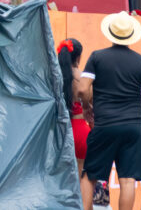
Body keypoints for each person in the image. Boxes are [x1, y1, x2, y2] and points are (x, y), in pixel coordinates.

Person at [77, 11, 141, 210]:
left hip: (104, 124)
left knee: (90, 176)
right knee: (127, 180)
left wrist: (88, 107)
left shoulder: (97, 57)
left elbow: (82, 88)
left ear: (110, 33)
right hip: (133, 126)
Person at [57, 39, 90, 183]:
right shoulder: (82, 78)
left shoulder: (53, 77)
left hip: (59, 132)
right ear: (78, 57)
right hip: (80, 131)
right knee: (80, 182)